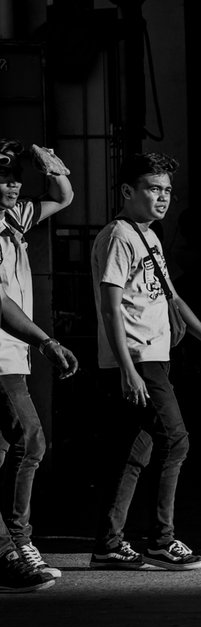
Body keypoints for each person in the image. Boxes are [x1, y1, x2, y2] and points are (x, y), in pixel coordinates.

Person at [89, 152, 201, 571]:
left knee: (134, 451)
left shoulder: (148, 236)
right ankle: (160, 540)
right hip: (137, 360)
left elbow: (172, 296)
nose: (163, 197)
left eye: (167, 190)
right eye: (154, 189)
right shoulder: (118, 236)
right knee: (175, 439)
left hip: (154, 357)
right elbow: (110, 308)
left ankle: (108, 545)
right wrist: (128, 368)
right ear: (127, 191)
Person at [0, 140, 81, 590]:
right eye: (3, 179)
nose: (12, 186)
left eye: (15, 178)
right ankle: (15, 543)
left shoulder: (14, 217)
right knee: (30, 441)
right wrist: (46, 341)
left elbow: (64, 197)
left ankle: (13, 545)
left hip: (14, 355)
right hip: (2, 356)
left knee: (15, 447)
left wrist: (50, 165)